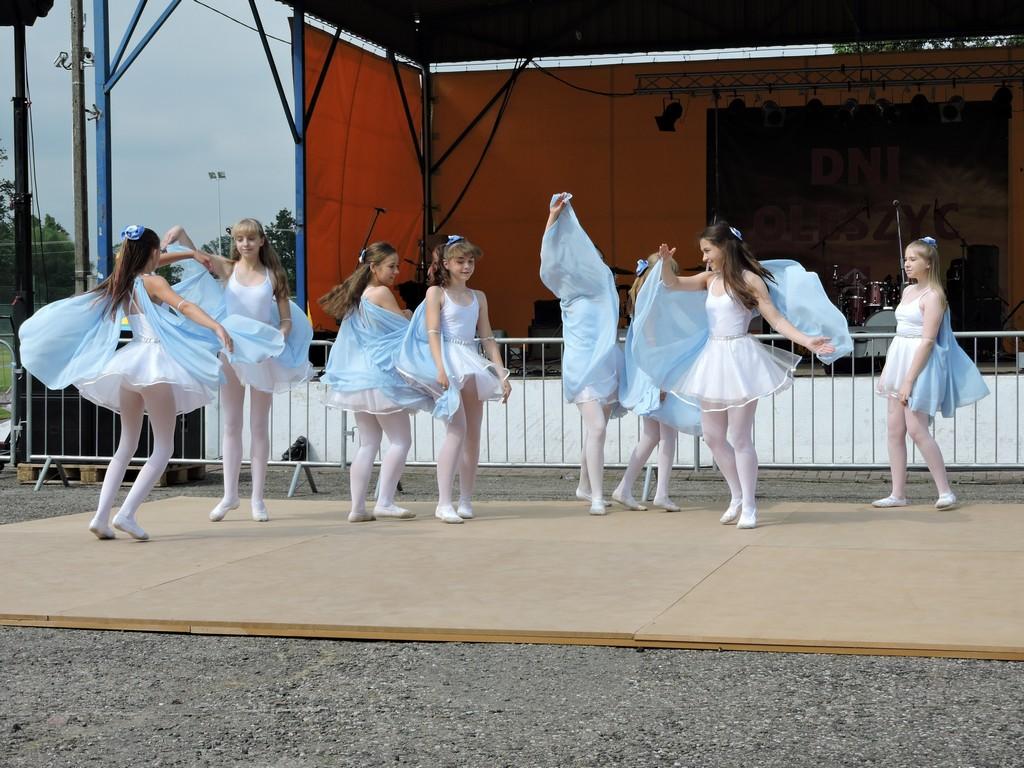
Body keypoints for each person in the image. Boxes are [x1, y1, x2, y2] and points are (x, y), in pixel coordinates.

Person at [19, 225, 232, 541]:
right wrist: (216, 327)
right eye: (158, 252)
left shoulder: (121, 282)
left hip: (128, 364)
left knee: (126, 445)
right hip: (156, 365)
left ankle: (100, 516)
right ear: (152, 253)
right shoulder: (155, 283)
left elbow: (149, 263)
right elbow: (185, 306)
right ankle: (127, 513)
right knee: (163, 447)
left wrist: (189, 253)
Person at [634, 223, 850, 529]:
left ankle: (749, 504)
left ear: (725, 247)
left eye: (708, 251)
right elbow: (672, 283)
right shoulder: (709, 279)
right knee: (712, 437)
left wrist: (807, 340)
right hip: (713, 358)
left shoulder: (749, 280)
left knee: (739, 437)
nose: (704, 258)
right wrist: (667, 263)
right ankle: (736, 495)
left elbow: (776, 319)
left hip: (740, 359)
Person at [163, 221, 313, 525]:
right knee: (231, 423)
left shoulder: (274, 275)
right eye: (240, 239)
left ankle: (257, 498)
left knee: (258, 426)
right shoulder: (228, 268)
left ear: (262, 241)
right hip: (231, 351)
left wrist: (280, 335)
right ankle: (229, 495)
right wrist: (180, 232)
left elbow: (286, 318)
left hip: (261, 354)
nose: (245, 244)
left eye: (251, 238)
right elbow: (196, 256)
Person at [396, 236, 511, 524]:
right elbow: (433, 332)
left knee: (473, 435)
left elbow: (487, 337)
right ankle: (443, 502)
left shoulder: (479, 296)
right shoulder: (436, 292)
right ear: (446, 263)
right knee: (457, 430)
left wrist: (501, 373)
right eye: (461, 261)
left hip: (471, 362)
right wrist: (440, 368)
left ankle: (465, 499)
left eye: (470, 261)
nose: (467, 266)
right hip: (448, 360)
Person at [873, 237, 989, 509]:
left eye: (913, 259)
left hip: (919, 365)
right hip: (899, 358)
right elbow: (901, 335)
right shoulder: (907, 292)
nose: (907, 264)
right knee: (894, 430)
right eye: (906, 259)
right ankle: (898, 494)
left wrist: (908, 380)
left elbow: (927, 340)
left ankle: (945, 491)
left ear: (928, 263)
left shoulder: (934, 296)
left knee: (917, 430)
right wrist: (890, 371)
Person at [319, 242, 432, 522]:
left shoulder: (357, 296)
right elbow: (405, 333)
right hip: (381, 378)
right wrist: (409, 315)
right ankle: (385, 501)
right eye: (391, 266)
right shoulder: (381, 293)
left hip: (358, 380)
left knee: (368, 443)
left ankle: (357, 507)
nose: (396, 271)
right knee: (401, 440)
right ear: (373, 267)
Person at [540, 193, 625, 515]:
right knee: (598, 428)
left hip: (606, 365)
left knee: (595, 430)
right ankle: (597, 497)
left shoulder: (606, 290)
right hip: (581, 369)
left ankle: (584, 486)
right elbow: (551, 256)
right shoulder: (567, 291)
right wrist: (553, 217)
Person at [612, 253, 702, 511]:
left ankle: (639, 489)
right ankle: (645, 490)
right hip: (657, 374)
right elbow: (653, 345)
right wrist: (661, 381)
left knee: (656, 434)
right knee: (661, 435)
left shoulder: (644, 298)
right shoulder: (652, 301)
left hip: (652, 374)